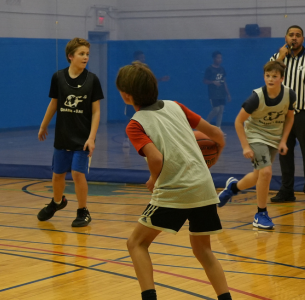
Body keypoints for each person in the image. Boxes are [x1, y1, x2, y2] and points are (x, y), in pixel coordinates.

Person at [119, 61, 231, 300]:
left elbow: (156, 158)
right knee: (203, 250)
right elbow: (218, 135)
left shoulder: (136, 123)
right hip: (203, 186)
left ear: (126, 95)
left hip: (175, 190)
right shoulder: (175, 106)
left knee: (136, 243)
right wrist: (210, 163)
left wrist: (153, 178)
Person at [217, 61, 295, 230]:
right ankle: (261, 214)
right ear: (264, 77)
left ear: (282, 78)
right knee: (266, 172)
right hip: (255, 136)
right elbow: (238, 122)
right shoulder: (256, 97)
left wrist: (283, 140)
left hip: (273, 137)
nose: (271, 79)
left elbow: (290, 118)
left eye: (274, 76)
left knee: (258, 175)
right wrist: (245, 146)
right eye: (268, 76)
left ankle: (233, 187)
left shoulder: (289, 94)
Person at [37, 37, 103, 227]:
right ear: (70, 56)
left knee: (76, 173)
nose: (85, 57)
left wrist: (92, 138)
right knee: (57, 174)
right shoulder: (58, 77)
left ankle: (83, 211)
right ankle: (57, 202)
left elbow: (96, 111)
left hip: (82, 138)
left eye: (87, 54)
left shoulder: (92, 80)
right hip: (63, 136)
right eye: (82, 54)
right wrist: (44, 125)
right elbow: (54, 103)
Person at [270, 25, 305, 205]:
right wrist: (280, 58)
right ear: (285, 37)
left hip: (304, 113)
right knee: (284, 153)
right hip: (282, 116)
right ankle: (286, 190)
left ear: (303, 39)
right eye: (291, 35)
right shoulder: (276, 58)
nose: (294, 38)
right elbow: (271, 84)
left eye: (298, 35)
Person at [203, 51, 232, 127]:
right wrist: (212, 82)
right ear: (214, 59)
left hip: (222, 93)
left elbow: (224, 82)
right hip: (213, 93)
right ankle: (205, 124)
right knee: (216, 109)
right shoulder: (209, 69)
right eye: (218, 58)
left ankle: (218, 128)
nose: (220, 59)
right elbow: (204, 81)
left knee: (221, 110)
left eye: (221, 58)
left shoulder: (222, 69)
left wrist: (228, 94)